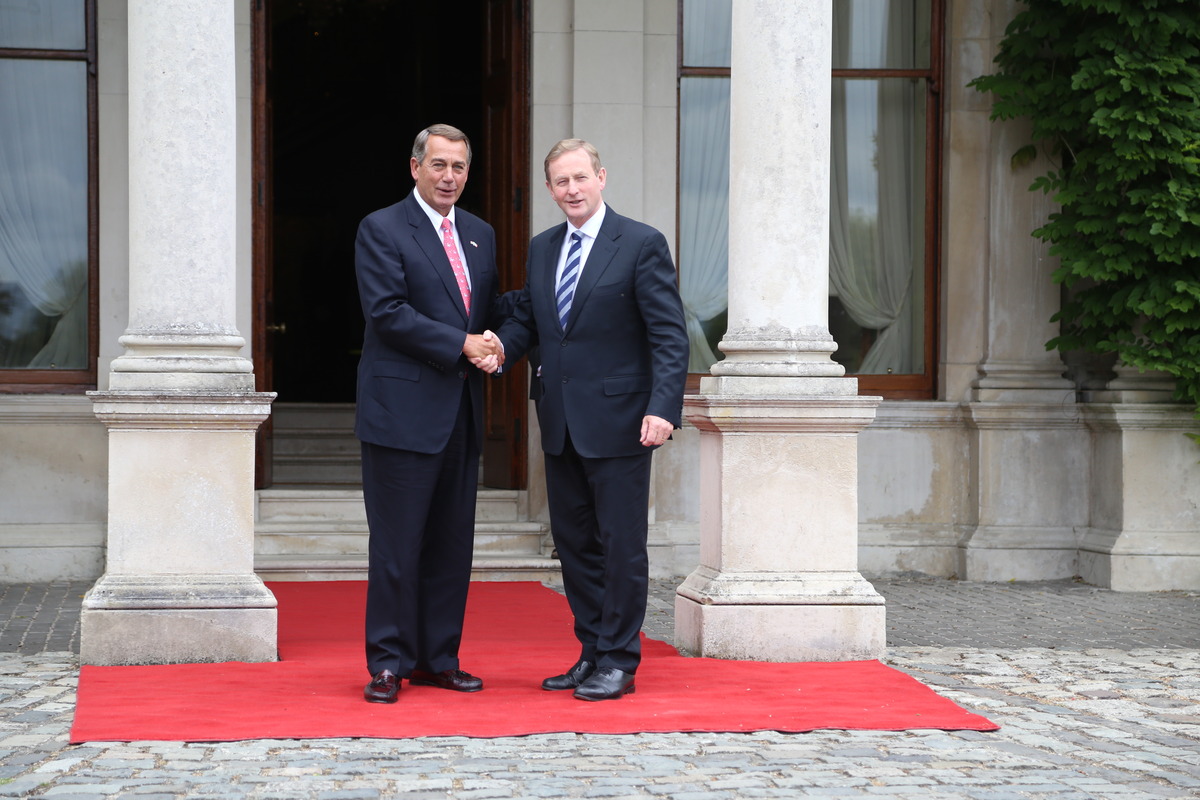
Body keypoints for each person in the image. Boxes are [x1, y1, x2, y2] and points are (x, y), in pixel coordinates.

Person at [496, 139, 688, 701]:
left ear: (601, 177)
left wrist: (663, 407)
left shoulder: (641, 243)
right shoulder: (542, 248)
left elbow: (669, 334)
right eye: (561, 181)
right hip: (560, 423)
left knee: (620, 546)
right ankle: (592, 652)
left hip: (623, 423)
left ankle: (620, 660)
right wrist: (497, 348)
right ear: (549, 189)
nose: (572, 189)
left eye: (580, 177)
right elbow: (534, 324)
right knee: (575, 545)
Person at [353, 123, 507, 704]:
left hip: (460, 414)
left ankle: (439, 659)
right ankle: (388, 664)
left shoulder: (480, 234)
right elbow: (387, 312)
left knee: (450, 546)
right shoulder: (382, 227)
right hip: (400, 414)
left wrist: (502, 341)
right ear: (415, 167)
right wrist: (462, 344)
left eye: (459, 167)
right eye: (439, 165)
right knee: (397, 547)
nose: (449, 177)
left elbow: (487, 312)